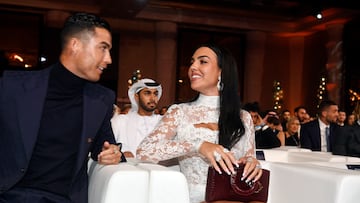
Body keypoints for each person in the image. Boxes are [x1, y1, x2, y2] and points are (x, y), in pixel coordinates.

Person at [0, 13, 124, 203]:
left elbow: (105, 144)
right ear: (75, 45)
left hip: (64, 199)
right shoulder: (12, 87)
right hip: (10, 195)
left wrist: (113, 153)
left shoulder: (101, 99)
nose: (109, 59)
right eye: (103, 48)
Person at [137, 43, 263, 203]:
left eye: (202, 61)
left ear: (221, 72)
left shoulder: (243, 117)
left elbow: (248, 157)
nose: (192, 67)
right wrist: (198, 146)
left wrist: (252, 163)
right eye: (192, 62)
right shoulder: (179, 111)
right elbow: (144, 151)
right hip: (194, 198)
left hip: (233, 196)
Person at [111, 78, 162, 158]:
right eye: (147, 93)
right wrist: (121, 153)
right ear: (136, 97)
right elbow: (107, 146)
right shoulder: (120, 121)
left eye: (155, 94)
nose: (153, 98)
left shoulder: (164, 121)